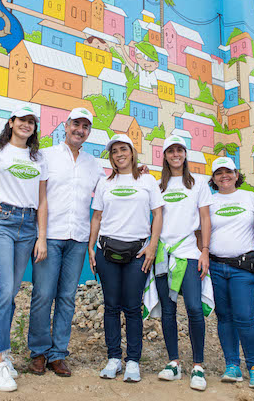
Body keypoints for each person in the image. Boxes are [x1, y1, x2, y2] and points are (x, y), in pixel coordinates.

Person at [0, 108, 104, 377]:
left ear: (89, 132)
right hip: (47, 236)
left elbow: (112, 189)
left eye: (85, 126)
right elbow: (18, 178)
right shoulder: (43, 156)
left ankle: (58, 354)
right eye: (76, 124)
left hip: (78, 238)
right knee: (42, 295)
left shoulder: (94, 165)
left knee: (67, 298)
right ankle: (38, 352)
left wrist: (138, 173)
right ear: (66, 126)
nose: (80, 130)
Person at [0, 105, 48, 392]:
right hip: (0, 223)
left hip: (28, 227)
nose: (27, 125)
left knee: (12, 292)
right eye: (22, 120)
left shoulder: (38, 157)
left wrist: (41, 236)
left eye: (32, 122)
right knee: (2, 291)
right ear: (11, 122)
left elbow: (43, 200)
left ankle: (2, 353)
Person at [89, 134, 164, 383]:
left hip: (138, 253)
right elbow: (97, 217)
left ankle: (132, 361)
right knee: (111, 306)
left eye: (123, 149)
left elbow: (158, 214)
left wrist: (152, 246)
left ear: (132, 152)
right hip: (107, 250)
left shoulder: (147, 180)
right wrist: (91, 247)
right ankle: (113, 358)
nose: (119, 154)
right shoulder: (104, 183)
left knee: (132, 307)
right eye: (114, 151)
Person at [142, 135, 212, 391]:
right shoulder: (156, 185)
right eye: (171, 150)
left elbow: (205, 218)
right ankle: (173, 362)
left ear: (185, 154)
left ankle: (198, 365)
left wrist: (205, 251)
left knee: (193, 307)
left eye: (179, 150)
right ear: (165, 155)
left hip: (189, 253)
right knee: (168, 310)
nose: (175, 155)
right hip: (163, 254)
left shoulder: (198, 183)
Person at [205, 157, 254, 390]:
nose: (224, 176)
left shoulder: (250, 197)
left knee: (245, 318)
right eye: (219, 173)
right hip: (216, 267)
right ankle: (232, 365)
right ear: (213, 178)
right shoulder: (209, 200)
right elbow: (202, 231)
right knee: (224, 317)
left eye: (228, 171)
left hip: (243, 268)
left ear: (236, 174)